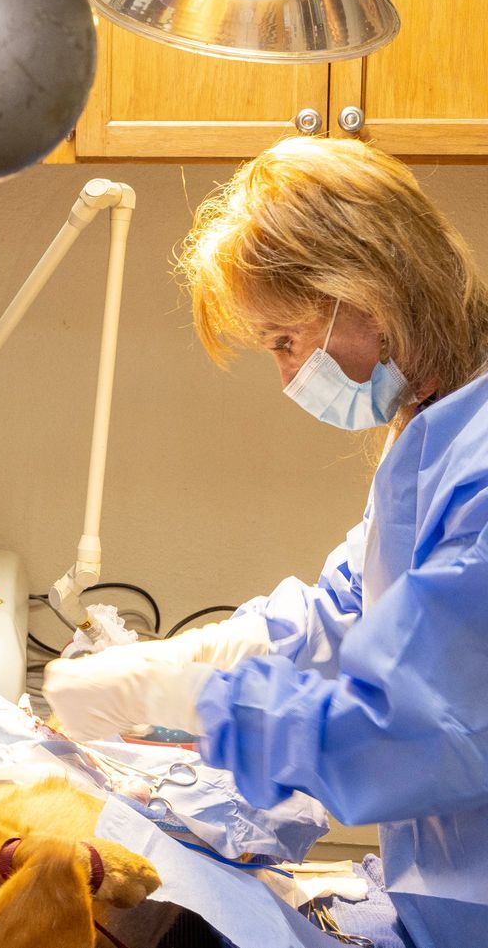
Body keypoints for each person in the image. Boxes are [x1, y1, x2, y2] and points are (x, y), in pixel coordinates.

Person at [44, 136, 488, 948]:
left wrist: (194, 704)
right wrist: (181, 660)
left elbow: (417, 730)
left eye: (285, 339)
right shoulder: (428, 430)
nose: (286, 376)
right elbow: (346, 611)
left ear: (369, 295)